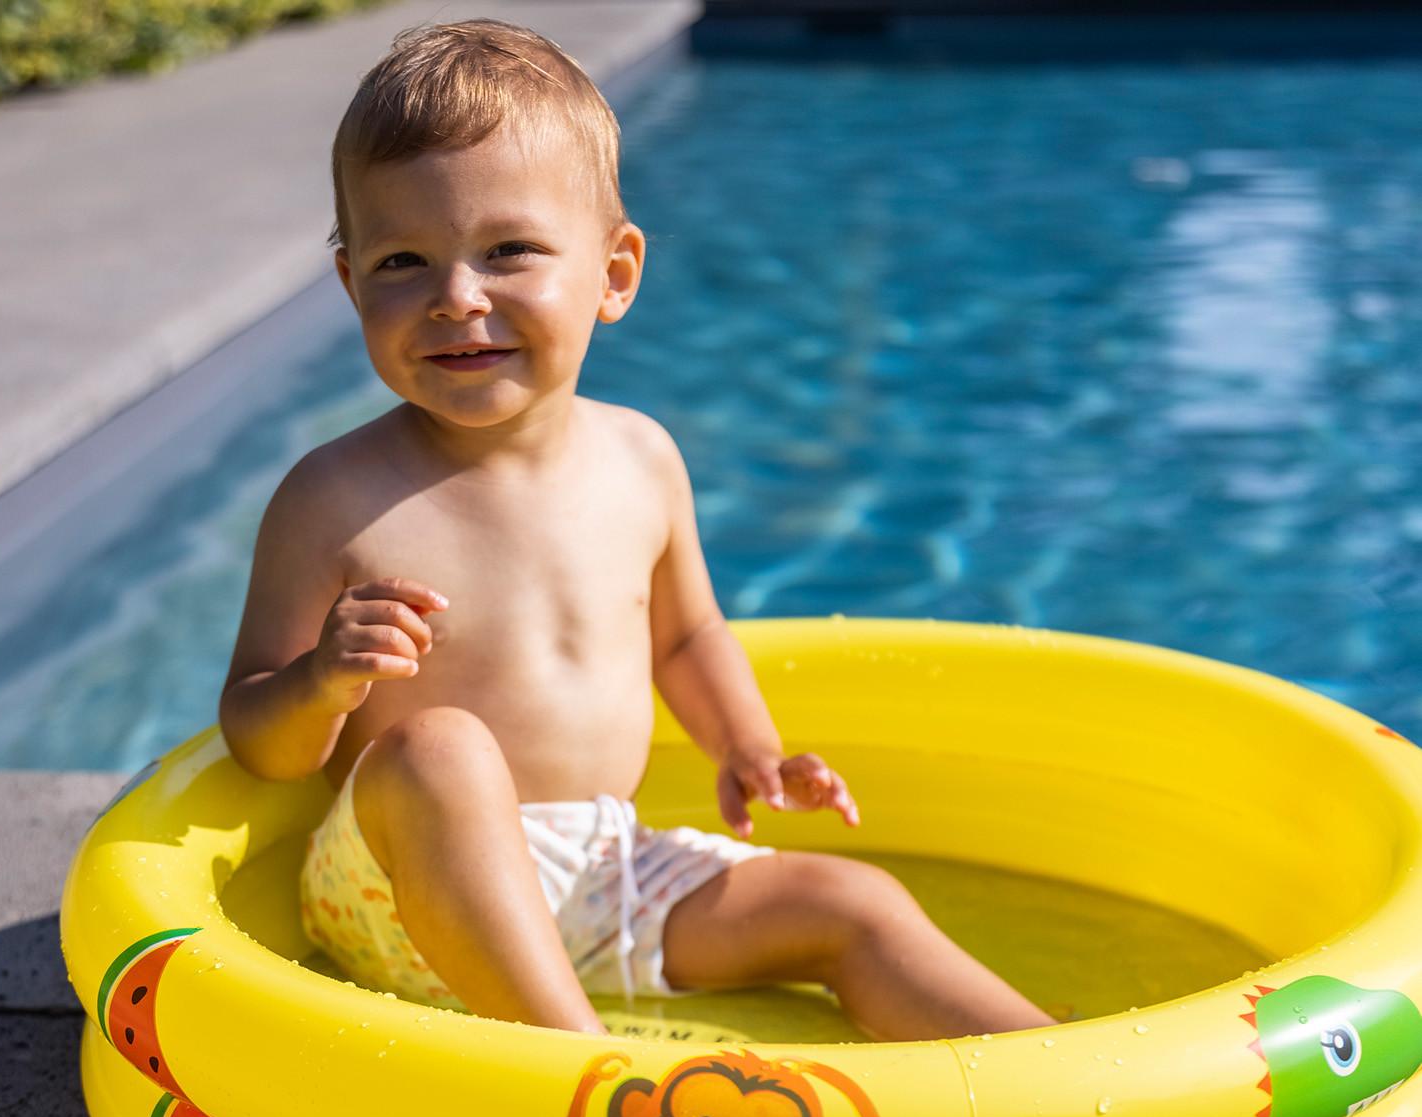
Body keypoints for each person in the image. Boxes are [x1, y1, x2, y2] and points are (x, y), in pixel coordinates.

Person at [218, 19, 1055, 1042]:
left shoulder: (641, 461)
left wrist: (749, 748)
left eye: (508, 250)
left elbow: (686, 636)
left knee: (855, 904)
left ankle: (1066, 1076)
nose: (456, 298)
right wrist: (321, 686)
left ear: (615, 274)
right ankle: (582, 1072)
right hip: (405, 893)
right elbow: (258, 739)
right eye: (403, 260)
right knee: (438, 748)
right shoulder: (334, 497)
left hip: (606, 868)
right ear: (352, 286)